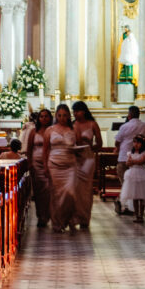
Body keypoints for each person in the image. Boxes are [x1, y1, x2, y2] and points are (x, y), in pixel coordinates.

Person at [44, 104, 78, 233]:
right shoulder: (50, 130)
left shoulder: (73, 130)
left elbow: (79, 145)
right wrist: (46, 166)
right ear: (56, 116)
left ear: (69, 116)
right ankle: (57, 222)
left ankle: (67, 218)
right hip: (54, 164)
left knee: (70, 193)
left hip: (70, 165)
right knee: (56, 195)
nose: (62, 118)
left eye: (65, 115)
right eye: (59, 115)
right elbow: (45, 150)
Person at [72, 100, 102, 230]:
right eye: (74, 111)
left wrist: (90, 150)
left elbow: (99, 143)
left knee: (86, 189)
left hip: (88, 158)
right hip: (75, 158)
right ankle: (75, 217)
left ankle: (85, 218)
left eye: (77, 111)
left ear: (83, 111)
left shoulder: (92, 124)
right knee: (76, 188)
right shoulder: (73, 124)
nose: (75, 113)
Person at [114, 105, 145, 196]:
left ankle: (127, 206)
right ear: (139, 115)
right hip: (141, 157)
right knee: (139, 187)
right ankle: (136, 205)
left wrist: (117, 148)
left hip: (124, 158)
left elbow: (117, 142)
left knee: (125, 184)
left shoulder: (124, 126)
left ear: (129, 115)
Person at [26, 108, 53, 227]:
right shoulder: (33, 131)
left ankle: (48, 215)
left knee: (48, 190)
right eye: (41, 116)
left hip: (49, 162)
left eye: (46, 116)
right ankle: (40, 216)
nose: (44, 118)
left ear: (50, 118)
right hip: (36, 163)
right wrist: (30, 162)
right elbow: (29, 148)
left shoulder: (53, 131)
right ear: (38, 119)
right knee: (38, 191)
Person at [118, 135, 145, 223]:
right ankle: (137, 215)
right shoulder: (130, 153)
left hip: (141, 174)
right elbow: (127, 163)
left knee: (142, 196)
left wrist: (132, 161)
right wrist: (132, 162)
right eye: (134, 142)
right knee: (135, 197)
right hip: (132, 174)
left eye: (138, 142)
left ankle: (141, 215)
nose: (136, 144)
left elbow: (142, 161)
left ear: (142, 144)